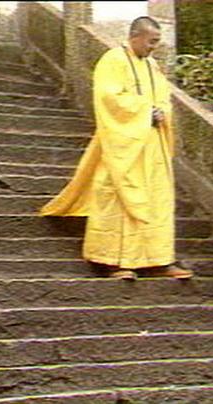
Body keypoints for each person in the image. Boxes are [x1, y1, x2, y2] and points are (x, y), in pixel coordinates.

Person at [40, 16, 193, 281]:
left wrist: (161, 112)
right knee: (115, 197)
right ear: (135, 36)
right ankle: (113, 261)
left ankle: (158, 259)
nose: (154, 47)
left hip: (151, 144)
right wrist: (145, 112)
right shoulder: (113, 60)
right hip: (121, 143)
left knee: (157, 200)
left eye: (156, 42)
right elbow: (108, 97)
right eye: (151, 41)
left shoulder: (152, 65)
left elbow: (163, 98)